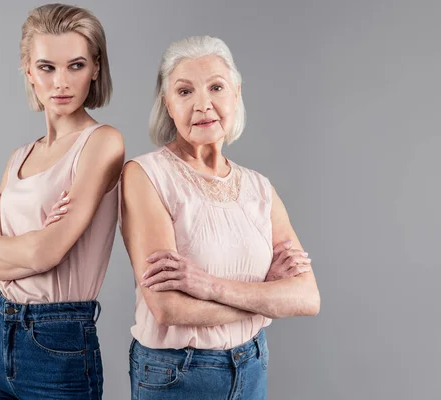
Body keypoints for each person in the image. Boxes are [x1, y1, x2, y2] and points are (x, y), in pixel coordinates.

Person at [120, 35, 320, 400]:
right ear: (167, 103)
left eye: (216, 87)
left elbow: (307, 297)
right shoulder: (145, 175)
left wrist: (207, 285)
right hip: (177, 373)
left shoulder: (259, 188)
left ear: (236, 94)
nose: (203, 105)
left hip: (251, 363)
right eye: (184, 92)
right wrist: (265, 297)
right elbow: (166, 307)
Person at [0, 4, 124, 399]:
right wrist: (29, 246)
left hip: (58, 338)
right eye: (46, 67)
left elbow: (46, 254)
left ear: (95, 67)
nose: (61, 82)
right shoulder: (19, 156)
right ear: (28, 71)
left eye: (75, 65)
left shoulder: (103, 142)